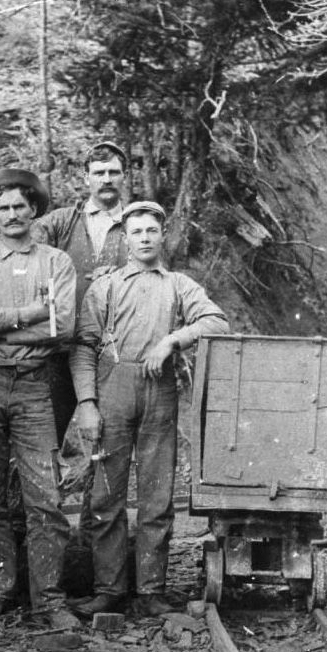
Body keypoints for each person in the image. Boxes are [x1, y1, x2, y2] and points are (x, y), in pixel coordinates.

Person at [69, 201, 229, 617]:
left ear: (162, 237)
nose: (144, 239)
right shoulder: (105, 287)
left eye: (151, 232)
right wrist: (87, 402)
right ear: (124, 238)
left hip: (159, 391)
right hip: (114, 389)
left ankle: (151, 591)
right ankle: (109, 589)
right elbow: (84, 347)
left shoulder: (178, 285)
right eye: (136, 232)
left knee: (157, 497)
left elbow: (217, 321)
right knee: (107, 495)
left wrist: (173, 340)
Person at [0, 167, 79, 629]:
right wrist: (27, 316)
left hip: (33, 385)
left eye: (19, 207)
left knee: (44, 496)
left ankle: (49, 600)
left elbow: (61, 327)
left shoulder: (56, 262)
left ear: (33, 210)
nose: (11, 215)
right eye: (2, 208)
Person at [31, 142, 129, 443]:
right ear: (86, 177)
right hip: (60, 348)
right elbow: (21, 241)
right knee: (45, 434)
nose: (107, 179)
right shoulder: (63, 221)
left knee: (109, 439)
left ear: (124, 177)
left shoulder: (137, 225)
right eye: (99, 172)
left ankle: (92, 490)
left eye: (114, 172)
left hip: (114, 351)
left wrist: (120, 276)